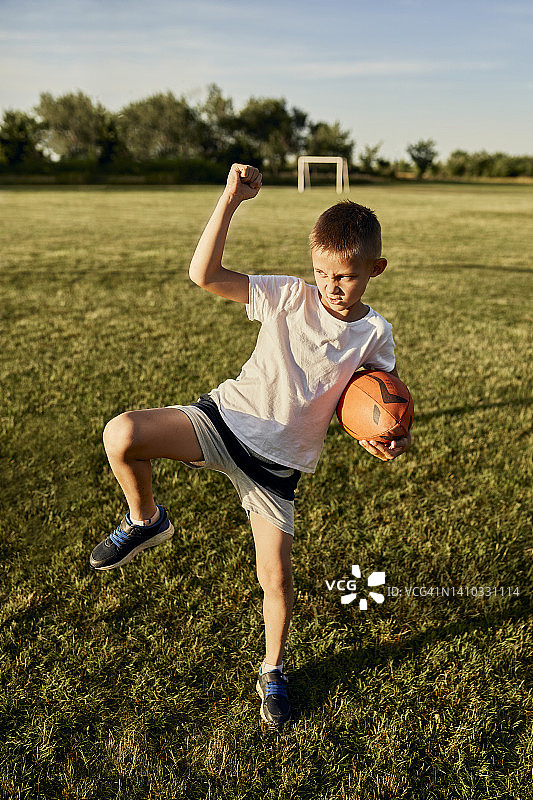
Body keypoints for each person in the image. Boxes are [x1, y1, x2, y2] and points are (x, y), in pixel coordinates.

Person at [89, 164, 412, 729]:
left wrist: (381, 439)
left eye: (345, 277)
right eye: (321, 273)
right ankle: (146, 519)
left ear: (375, 270)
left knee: (278, 582)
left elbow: (368, 405)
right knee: (122, 433)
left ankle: (272, 671)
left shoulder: (374, 334)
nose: (331, 287)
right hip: (226, 422)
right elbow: (204, 274)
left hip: (277, 469)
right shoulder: (289, 297)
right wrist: (231, 198)